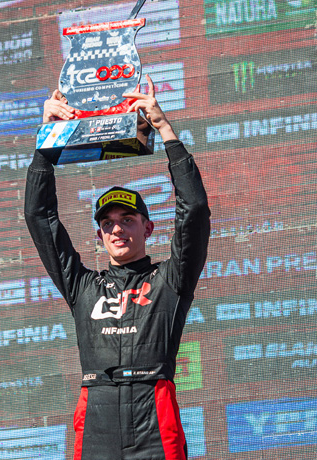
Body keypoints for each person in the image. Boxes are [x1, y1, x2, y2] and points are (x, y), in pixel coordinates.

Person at [24, 75, 210, 460]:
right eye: (107, 223)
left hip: (152, 409)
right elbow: (39, 217)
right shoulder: (82, 287)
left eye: (127, 219)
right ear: (99, 235)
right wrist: (46, 144)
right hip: (98, 413)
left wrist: (164, 128)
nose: (117, 229)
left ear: (148, 227)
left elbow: (193, 211)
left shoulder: (169, 280)